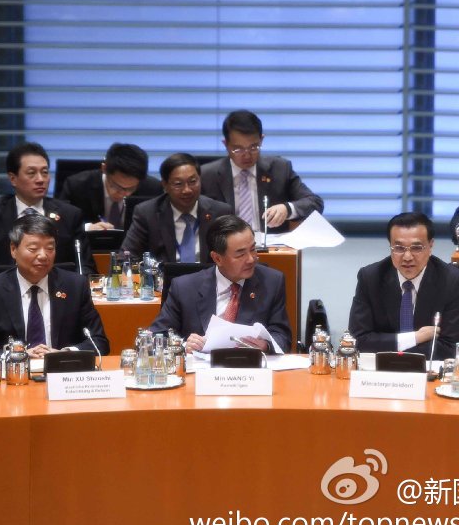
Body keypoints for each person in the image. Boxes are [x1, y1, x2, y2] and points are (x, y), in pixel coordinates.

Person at [0, 215, 110, 362]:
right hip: (13, 374)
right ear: (13, 250)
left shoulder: (75, 286)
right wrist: (15, 356)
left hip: (60, 373)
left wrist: (64, 354)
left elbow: (99, 342)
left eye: (50, 248)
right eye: (33, 249)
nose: (43, 256)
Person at [0, 142, 95, 285]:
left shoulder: (70, 215)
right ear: (13, 178)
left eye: (44, 172)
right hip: (4, 293)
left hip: (57, 292)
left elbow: (87, 269)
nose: (40, 179)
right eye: (31, 173)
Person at [150, 215, 291, 353]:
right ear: (217, 258)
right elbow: (157, 335)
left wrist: (266, 345)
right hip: (201, 366)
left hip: (251, 365)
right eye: (240, 254)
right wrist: (183, 345)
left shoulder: (272, 282)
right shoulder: (184, 288)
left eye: (253, 249)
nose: (251, 259)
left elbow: (283, 337)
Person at [348, 212, 459, 361]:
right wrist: (416, 337)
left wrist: (391, 346)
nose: (407, 257)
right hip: (382, 370)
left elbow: (451, 348)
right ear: (390, 246)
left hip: (429, 370)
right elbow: (358, 341)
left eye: (416, 248)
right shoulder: (370, 277)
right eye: (399, 248)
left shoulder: (451, 280)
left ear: (430, 246)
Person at [200, 110, 323, 234]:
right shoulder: (207, 176)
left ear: (261, 140)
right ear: (226, 144)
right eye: (238, 149)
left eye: (253, 147)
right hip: (227, 244)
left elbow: (315, 202)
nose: (247, 155)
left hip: (271, 244)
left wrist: (288, 209)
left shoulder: (280, 169)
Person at [120, 153, 231, 263]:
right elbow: (126, 256)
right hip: (165, 274)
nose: (187, 190)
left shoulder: (220, 212)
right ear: (165, 185)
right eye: (178, 184)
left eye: (193, 181)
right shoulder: (147, 213)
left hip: (208, 274)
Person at [57, 142, 162, 230]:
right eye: (116, 186)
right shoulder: (77, 185)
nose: (123, 194)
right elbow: (60, 221)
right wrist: (87, 228)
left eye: (130, 188)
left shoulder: (153, 189)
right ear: (104, 168)